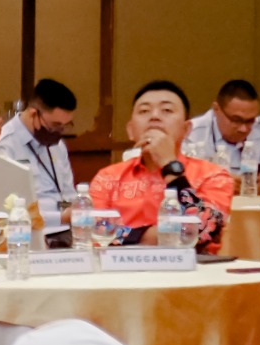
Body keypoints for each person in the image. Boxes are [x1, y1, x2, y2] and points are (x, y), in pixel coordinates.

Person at [87, 80, 233, 252]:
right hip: (119, 272)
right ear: (131, 130)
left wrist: (169, 165)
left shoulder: (214, 175)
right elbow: (91, 230)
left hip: (190, 272)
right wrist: (168, 235)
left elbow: (205, 231)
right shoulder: (108, 176)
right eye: (144, 111)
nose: (154, 116)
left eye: (167, 110)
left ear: (186, 130)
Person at [185, 79, 260, 182]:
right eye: (236, 120)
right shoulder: (193, 133)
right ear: (216, 109)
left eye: (250, 120)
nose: (243, 129)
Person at [0, 77, 79, 202]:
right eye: (55, 125)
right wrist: (59, 217)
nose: (59, 131)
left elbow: (69, 194)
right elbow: (6, 204)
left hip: (64, 218)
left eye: (65, 125)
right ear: (33, 114)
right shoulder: (4, 144)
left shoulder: (58, 145)